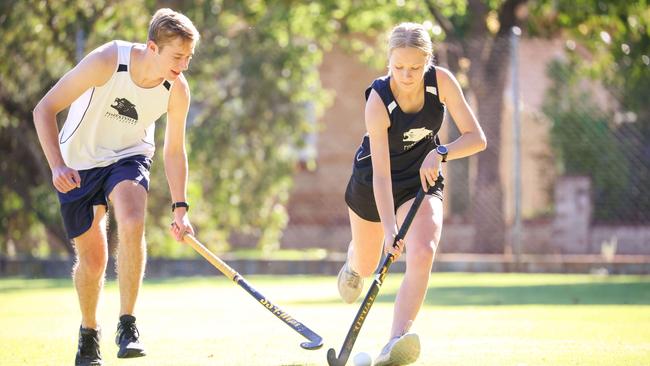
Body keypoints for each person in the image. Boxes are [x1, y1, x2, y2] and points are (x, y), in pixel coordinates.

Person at [32, 8, 199, 366]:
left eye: (189, 57)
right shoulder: (109, 60)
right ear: (152, 48)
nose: (183, 65)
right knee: (93, 262)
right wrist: (57, 165)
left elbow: (173, 150)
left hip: (129, 155)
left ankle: (128, 324)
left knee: (132, 218)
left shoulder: (177, 89)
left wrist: (180, 208)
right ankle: (89, 334)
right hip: (78, 161)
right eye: (177, 57)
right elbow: (43, 109)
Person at [338, 22, 487, 366]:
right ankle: (352, 261)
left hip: (422, 177)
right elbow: (381, 174)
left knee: (422, 250)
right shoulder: (378, 100)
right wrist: (390, 229)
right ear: (388, 61)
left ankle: (395, 343)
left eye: (415, 68)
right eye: (398, 67)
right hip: (374, 180)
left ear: (428, 62)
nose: (406, 75)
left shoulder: (442, 82)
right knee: (367, 262)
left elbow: (476, 138)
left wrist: (442, 152)